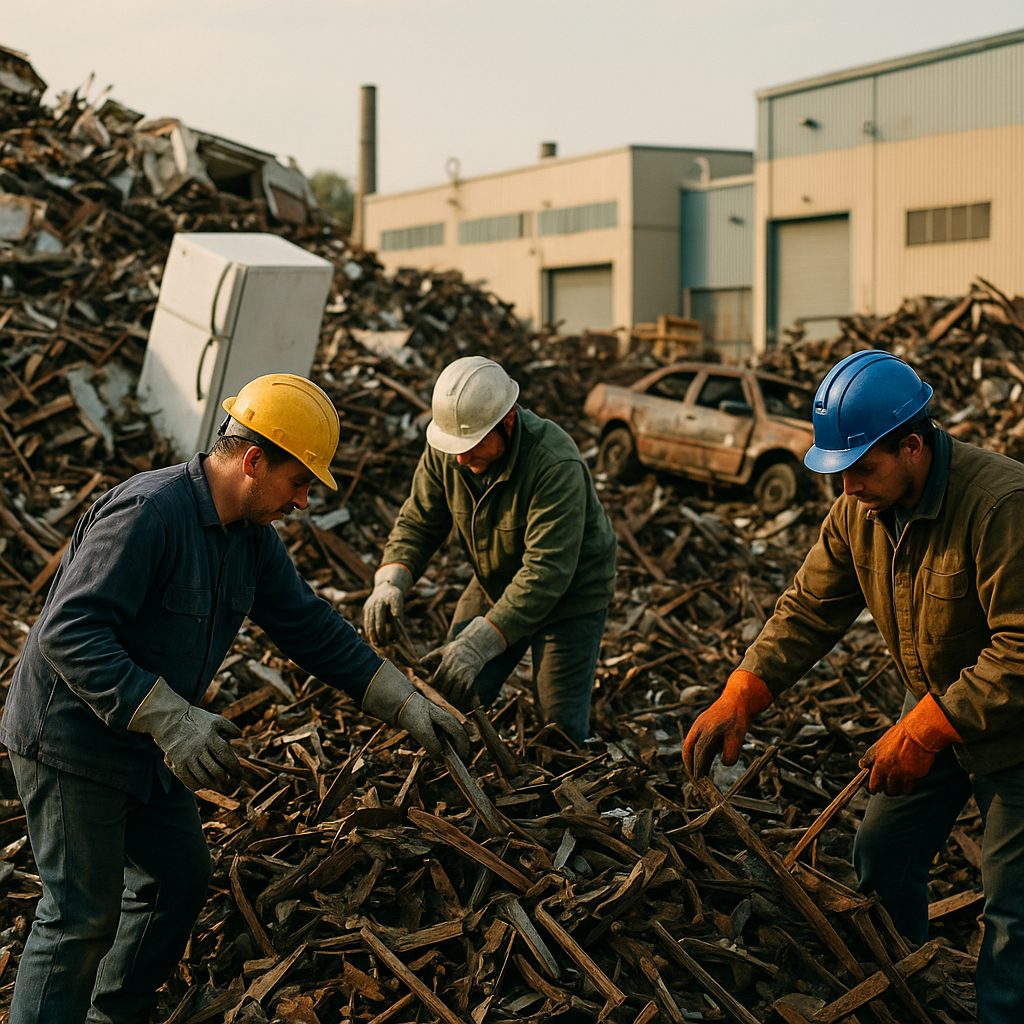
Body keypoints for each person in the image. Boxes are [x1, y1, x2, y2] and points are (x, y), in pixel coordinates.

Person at [0, 373, 467, 1024]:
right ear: (252, 461)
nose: (303, 501)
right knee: (80, 915)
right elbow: (67, 632)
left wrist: (406, 702)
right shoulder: (149, 513)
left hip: (145, 745)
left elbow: (310, 626)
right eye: (298, 482)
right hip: (71, 740)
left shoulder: (250, 541)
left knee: (177, 878)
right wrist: (171, 719)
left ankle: (112, 1016)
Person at [682, 349, 1024, 1024]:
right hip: (936, 701)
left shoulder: (1001, 506)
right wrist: (742, 691)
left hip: (1014, 724)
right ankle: (909, 995)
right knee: (883, 853)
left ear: (913, 447)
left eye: (861, 467)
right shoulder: (859, 511)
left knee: (1014, 908)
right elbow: (809, 609)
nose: (848, 487)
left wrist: (927, 727)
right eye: (838, 471)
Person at [362, 356, 617, 744]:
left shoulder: (554, 462)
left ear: (508, 421)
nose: (461, 459)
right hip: (496, 578)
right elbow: (419, 521)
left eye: (473, 445)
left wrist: (477, 645)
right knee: (452, 689)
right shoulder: (450, 449)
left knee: (559, 728)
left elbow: (547, 572)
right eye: (455, 447)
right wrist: (389, 582)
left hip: (571, 595)